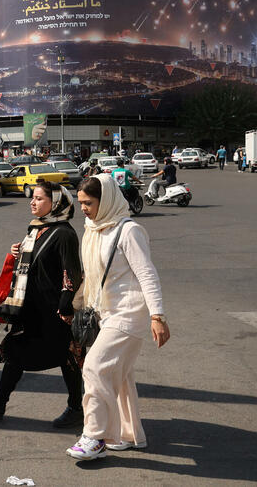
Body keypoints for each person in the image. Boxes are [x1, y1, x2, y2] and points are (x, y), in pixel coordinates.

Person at [65, 175, 169, 460]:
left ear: (106, 200)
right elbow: (92, 277)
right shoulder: (93, 229)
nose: (83, 208)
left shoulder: (129, 231)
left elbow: (147, 273)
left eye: (89, 203)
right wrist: (75, 304)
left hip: (130, 314)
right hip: (106, 313)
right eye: (81, 203)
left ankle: (94, 436)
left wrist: (157, 316)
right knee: (118, 377)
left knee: (95, 368)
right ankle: (124, 434)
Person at [0, 180, 84, 428]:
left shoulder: (64, 233)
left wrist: (65, 303)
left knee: (67, 357)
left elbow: (71, 271)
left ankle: (77, 407)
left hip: (54, 311)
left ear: (56, 203)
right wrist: (15, 253)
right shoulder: (37, 229)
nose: (32, 202)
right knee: (17, 351)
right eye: (33, 198)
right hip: (32, 309)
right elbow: (32, 263)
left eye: (40, 198)